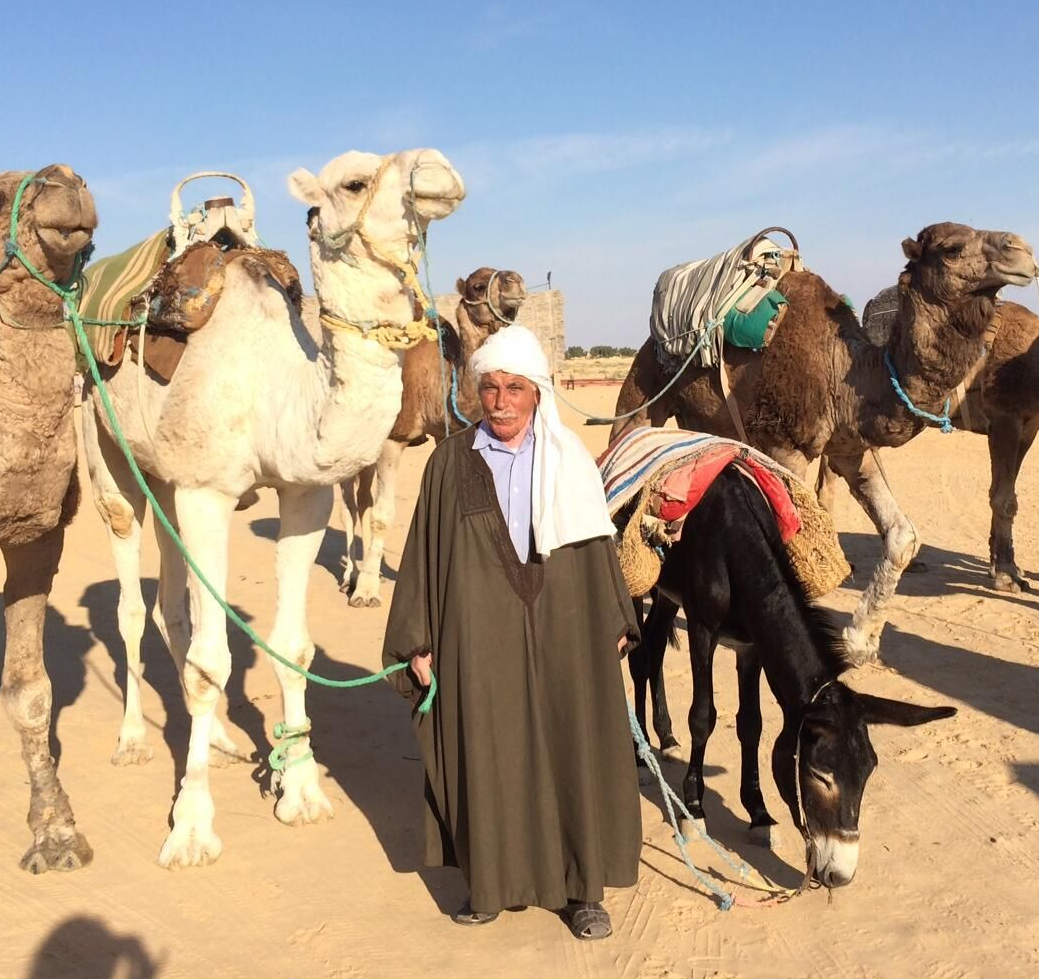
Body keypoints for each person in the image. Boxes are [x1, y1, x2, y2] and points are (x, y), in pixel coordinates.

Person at [383, 326, 642, 941]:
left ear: (537, 393)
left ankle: (582, 891)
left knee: (570, 743)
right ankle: (491, 882)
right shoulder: (450, 463)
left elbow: (596, 549)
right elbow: (423, 553)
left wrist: (613, 619)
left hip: (566, 626)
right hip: (477, 631)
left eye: (514, 389)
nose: (500, 401)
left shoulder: (569, 458)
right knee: (488, 747)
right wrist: (417, 639)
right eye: (490, 388)